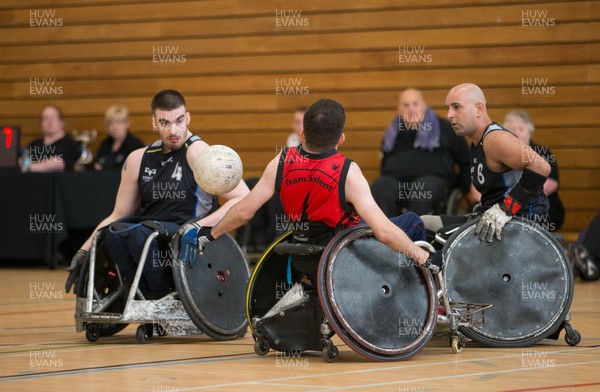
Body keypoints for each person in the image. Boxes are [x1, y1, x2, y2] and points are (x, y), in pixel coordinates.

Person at [195, 98, 437, 281]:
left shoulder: (281, 160)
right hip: (343, 255)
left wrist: (211, 234)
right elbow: (384, 232)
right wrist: (420, 255)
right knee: (414, 222)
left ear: (302, 133)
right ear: (341, 138)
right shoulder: (348, 172)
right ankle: (416, 294)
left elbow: (244, 212)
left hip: (302, 256)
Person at [65, 90, 249, 298]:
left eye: (179, 121)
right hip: (150, 231)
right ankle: (139, 293)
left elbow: (242, 196)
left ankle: (159, 295)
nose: (173, 130)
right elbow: (117, 214)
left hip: (186, 231)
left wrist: (201, 226)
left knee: (139, 234)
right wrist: (84, 250)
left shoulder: (198, 153)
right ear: (154, 122)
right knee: (113, 234)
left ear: (187, 118)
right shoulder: (137, 159)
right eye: (164, 122)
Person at [443, 83, 551, 242]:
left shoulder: (495, 139)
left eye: (456, 107)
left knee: (435, 237)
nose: (449, 115)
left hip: (522, 224)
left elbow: (542, 167)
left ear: (479, 109)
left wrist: (506, 208)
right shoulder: (475, 143)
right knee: (425, 223)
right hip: (493, 221)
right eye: (447, 108)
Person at [371, 88, 470, 216]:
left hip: (434, 183)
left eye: (415, 104)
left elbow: (465, 161)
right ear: (399, 110)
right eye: (406, 105)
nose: (411, 109)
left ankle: (414, 232)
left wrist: (463, 188)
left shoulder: (445, 128)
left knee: (422, 188)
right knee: (380, 186)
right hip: (398, 183)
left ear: (424, 106)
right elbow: (384, 165)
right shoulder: (392, 133)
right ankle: (386, 231)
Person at [503, 110, 564, 231]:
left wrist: (514, 202)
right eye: (512, 129)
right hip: (507, 204)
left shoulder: (542, 152)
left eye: (521, 129)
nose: (516, 133)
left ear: (529, 132)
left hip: (539, 206)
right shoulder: (502, 154)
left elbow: (550, 184)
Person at [23, 104, 80, 172]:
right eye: (45, 118)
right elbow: (21, 161)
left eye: (53, 117)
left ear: (62, 122)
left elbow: (57, 164)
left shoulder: (69, 143)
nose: (49, 122)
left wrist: (29, 167)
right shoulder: (34, 144)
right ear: (41, 123)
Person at [93, 105, 145, 171]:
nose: (114, 127)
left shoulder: (135, 145)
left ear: (127, 124)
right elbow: (96, 164)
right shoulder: (105, 144)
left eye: (119, 122)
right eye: (110, 123)